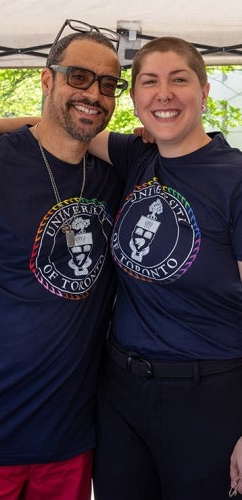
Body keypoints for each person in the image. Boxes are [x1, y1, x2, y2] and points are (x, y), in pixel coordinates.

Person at [72, 36, 242, 500]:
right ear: (135, 99)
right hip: (122, 393)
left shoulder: (234, 177)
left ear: (205, 92)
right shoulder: (136, 156)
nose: (163, 94)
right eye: (149, 82)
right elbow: (61, 128)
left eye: (179, 80)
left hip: (210, 396)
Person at [0, 29, 125, 499]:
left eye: (109, 84)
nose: (94, 94)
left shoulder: (116, 178)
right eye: (80, 77)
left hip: (70, 439)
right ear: (47, 80)